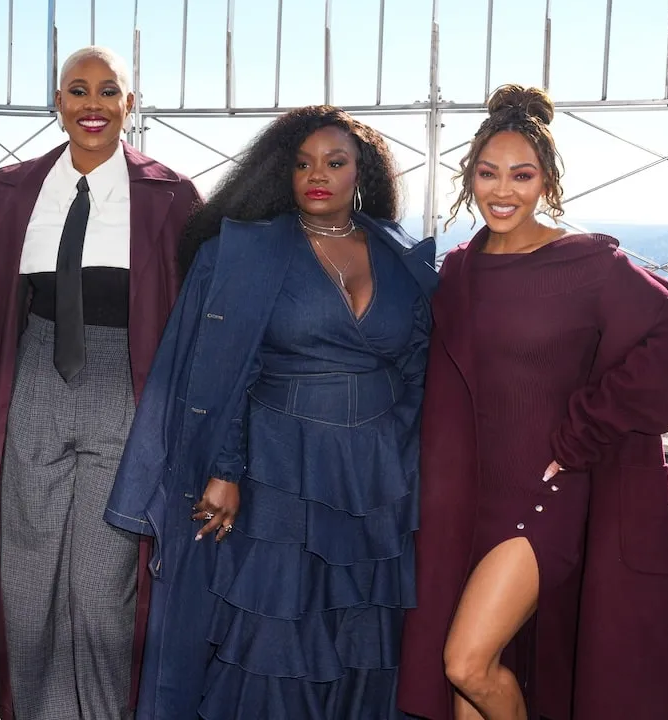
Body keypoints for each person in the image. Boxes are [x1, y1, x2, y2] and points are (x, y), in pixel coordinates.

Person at [105, 105, 437, 719]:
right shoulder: (244, 255)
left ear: (361, 172)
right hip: (276, 471)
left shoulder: (402, 256)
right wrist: (225, 469)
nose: (318, 174)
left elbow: (420, 367)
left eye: (335, 162)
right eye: (302, 162)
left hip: (375, 483)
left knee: (362, 635)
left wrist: (406, 465)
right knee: (274, 638)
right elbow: (224, 367)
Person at [396, 85, 668, 720]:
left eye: (522, 175)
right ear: (469, 177)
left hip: (542, 501)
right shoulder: (458, 270)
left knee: (467, 663)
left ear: (547, 181)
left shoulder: (586, 263)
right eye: (487, 173)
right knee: (465, 694)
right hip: (466, 506)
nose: (502, 190)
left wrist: (583, 432)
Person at [0, 45, 200, 720]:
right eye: (77, 90)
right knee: (24, 569)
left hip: (128, 387)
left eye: (108, 90)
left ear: (129, 105)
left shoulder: (172, 197)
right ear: (57, 102)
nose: (92, 103)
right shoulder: (9, 193)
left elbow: (198, 315)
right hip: (33, 377)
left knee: (103, 580)